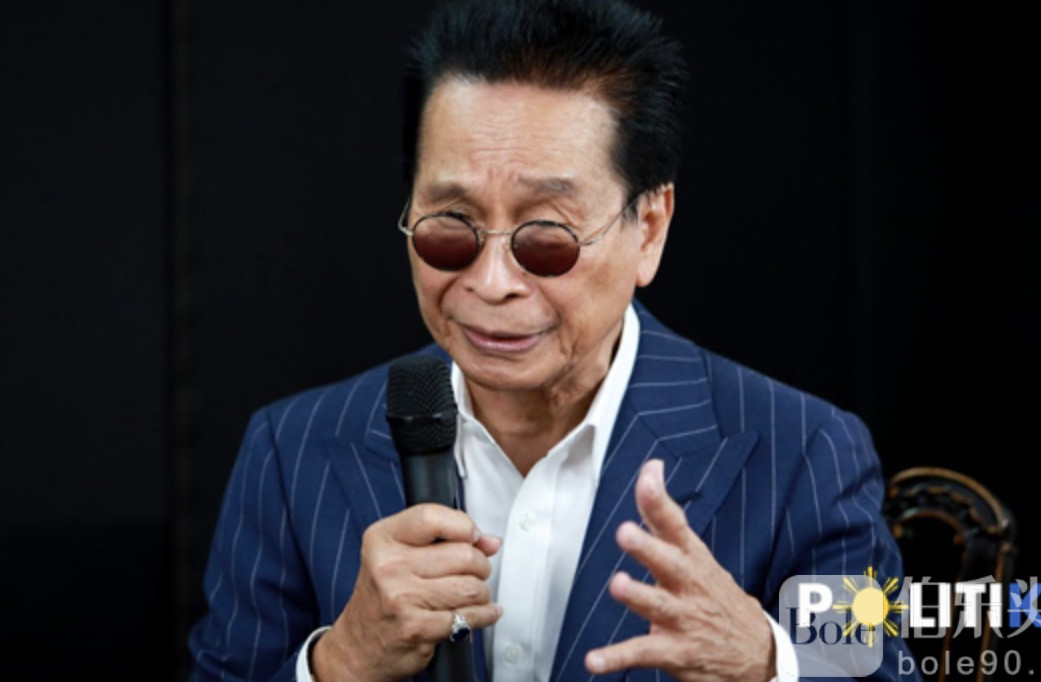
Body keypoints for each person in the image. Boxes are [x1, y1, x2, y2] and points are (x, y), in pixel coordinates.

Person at [189, 0, 917, 680]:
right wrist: (339, 663)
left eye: (546, 237)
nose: (492, 283)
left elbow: (871, 668)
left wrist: (766, 662)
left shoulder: (801, 454)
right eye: (451, 227)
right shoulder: (292, 451)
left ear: (649, 229)